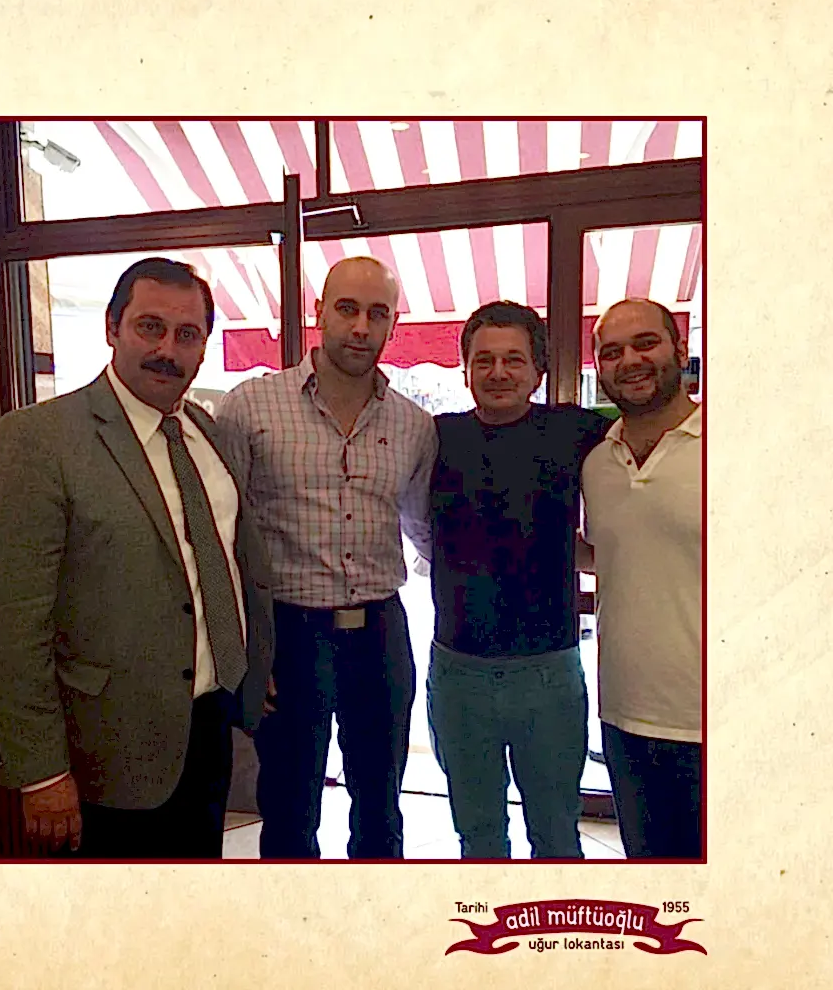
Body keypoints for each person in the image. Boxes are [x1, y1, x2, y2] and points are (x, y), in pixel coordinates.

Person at [0, 258, 274, 860]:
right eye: (150, 327)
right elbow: (12, 628)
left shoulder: (206, 433)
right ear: (112, 328)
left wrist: (253, 663)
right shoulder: (39, 440)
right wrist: (40, 773)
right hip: (104, 752)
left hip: (209, 725)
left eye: (187, 335)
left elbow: (227, 563)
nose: (167, 350)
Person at [215, 256, 437, 859]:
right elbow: (222, 535)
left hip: (380, 633)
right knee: (289, 807)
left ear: (393, 324)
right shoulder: (250, 408)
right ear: (319, 312)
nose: (361, 327)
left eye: (377, 313)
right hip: (289, 634)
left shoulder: (414, 425)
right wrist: (244, 649)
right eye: (347, 309)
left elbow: (423, 529)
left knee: (381, 806)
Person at [426, 301, 611, 859]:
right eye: (484, 360)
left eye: (513, 359)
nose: (498, 372)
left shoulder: (578, 431)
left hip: (548, 673)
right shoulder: (436, 437)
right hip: (458, 673)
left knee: (556, 835)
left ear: (538, 371)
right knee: (477, 836)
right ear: (465, 371)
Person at [580, 298, 702, 859]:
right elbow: (611, 553)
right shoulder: (597, 463)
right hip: (624, 716)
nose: (629, 360)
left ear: (679, 348)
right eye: (612, 351)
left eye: (645, 343)